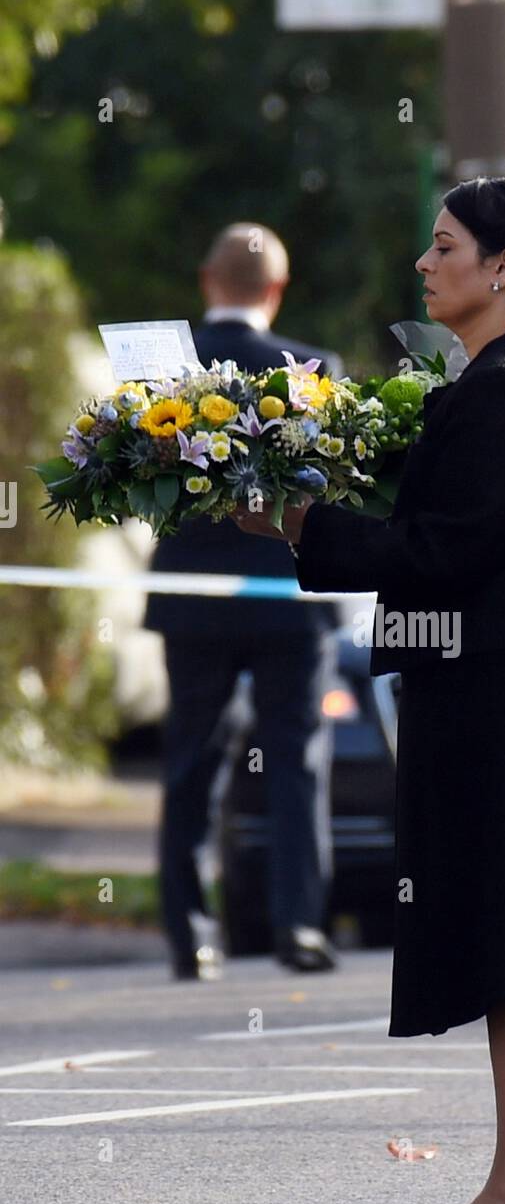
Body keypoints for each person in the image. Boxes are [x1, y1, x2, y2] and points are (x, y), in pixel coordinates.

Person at [233, 177, 505, 1204]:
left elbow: (442, 553)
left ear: (501, 266)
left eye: (444, 244)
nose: (424, 264)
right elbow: (450, 519)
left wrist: (298, 526)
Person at [143, 223, 344, 980]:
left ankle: (190, 934)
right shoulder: (310, 367)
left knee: (192, 760)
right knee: (297, 761)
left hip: (192, 598)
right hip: (288, 597)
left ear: (207, 279)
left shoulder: (163, 371)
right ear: (277, 290)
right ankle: (298, 925)